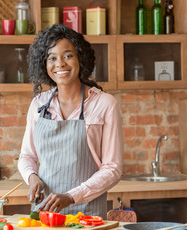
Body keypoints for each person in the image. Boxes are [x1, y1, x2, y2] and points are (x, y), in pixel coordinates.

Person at [18, 24, 123, 218]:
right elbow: (27, 157)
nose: (60, 64)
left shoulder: (104, 104)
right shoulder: (39, 104)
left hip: (88, 216)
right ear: (44, 64)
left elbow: (113, 168)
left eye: (68, 55)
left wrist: (71, 196)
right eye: (52, 58)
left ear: (80, 58)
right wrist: (32, 178)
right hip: (45, 213)